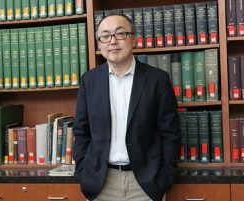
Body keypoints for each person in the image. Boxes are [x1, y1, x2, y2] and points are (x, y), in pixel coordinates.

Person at [73, 14, 180, 201]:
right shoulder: (89, 81)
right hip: (101, 183)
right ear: (99, 44)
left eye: (120, 34)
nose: (112, 41)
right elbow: (81, 132)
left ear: (134, 39)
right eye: (105, 36)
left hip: (146, 183)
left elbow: (170, 133)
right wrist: (82, 173)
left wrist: (166, 176)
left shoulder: (157, 80)